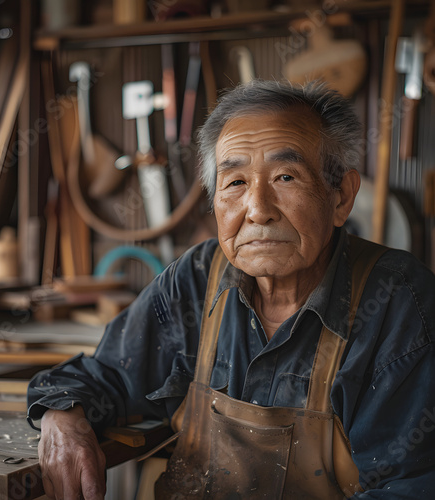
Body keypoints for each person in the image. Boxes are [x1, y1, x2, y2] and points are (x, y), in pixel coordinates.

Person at [27, 80, 435, 499]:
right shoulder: (198, 277)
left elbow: (411, 487)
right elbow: (106, 376)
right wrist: (64, 417)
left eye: (285, 176)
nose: (257, 209)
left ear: (341, 197)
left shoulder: (399, 302)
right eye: (236, 182)